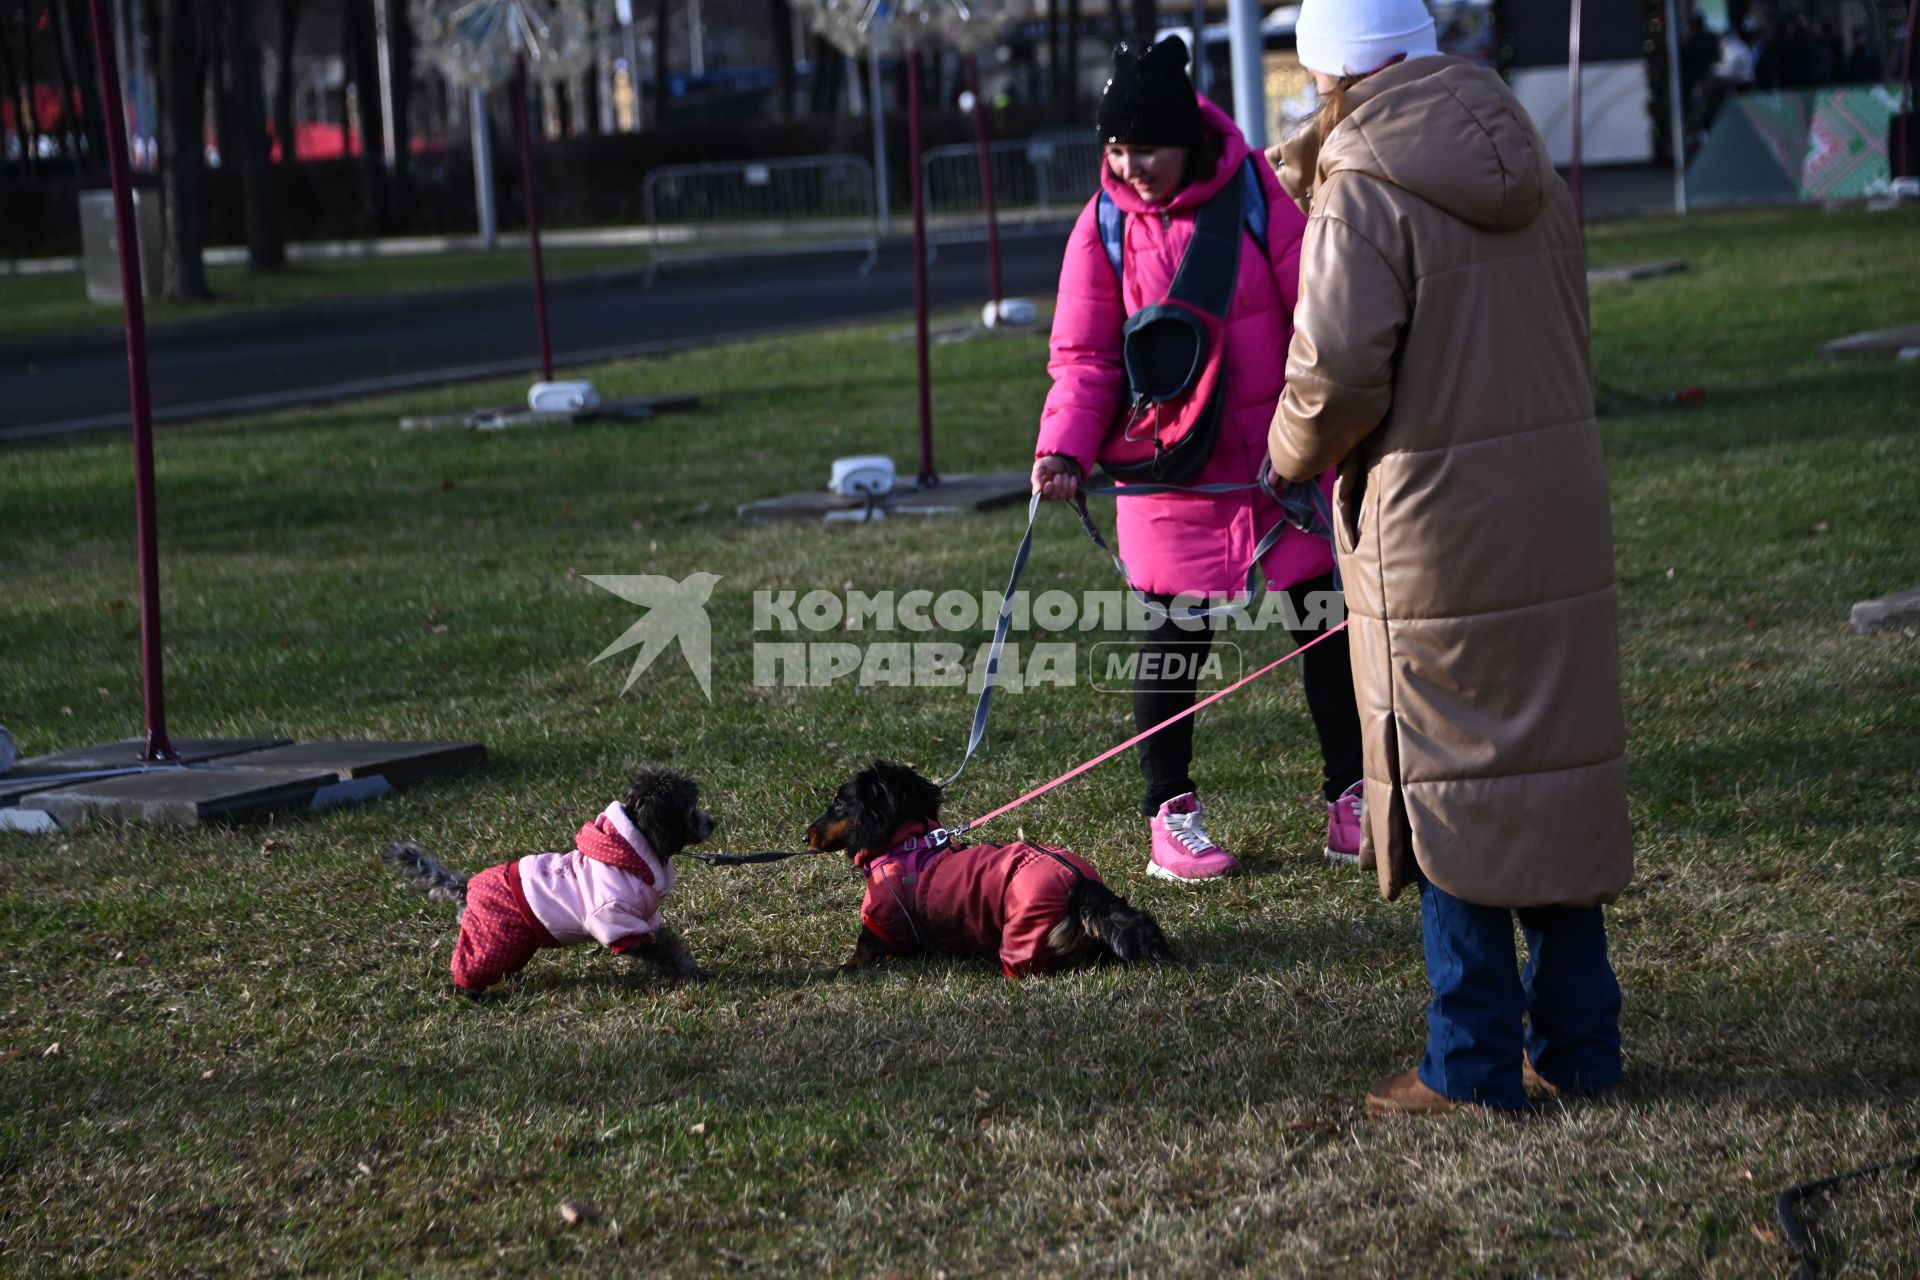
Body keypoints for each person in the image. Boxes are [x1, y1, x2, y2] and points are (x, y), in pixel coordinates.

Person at [1267, 0, 1633, 1114]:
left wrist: (1287, 453)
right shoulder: (1522, 147)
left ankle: (1469, 1063)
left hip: (1435, 529)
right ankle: (1581, 1045)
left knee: (1447, 782)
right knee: (1549, 771)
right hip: (1554, 506)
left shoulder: (1363, 184)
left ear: (1330, 70)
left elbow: (1335, 374)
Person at [1032, 36, 1364, 883]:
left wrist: (1322, 429)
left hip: (1279, 466)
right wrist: (1064, 446)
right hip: (1170, 473)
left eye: (1147, 145)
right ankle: (1168, 814)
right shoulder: (1101, 226)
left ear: (1189, 136)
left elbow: (1316, 315)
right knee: (1171, 645)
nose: (1131, 165)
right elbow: (1085, 359)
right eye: (1116, 147)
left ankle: (1351, 799)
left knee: (1324, 630)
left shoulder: (1255, 191)